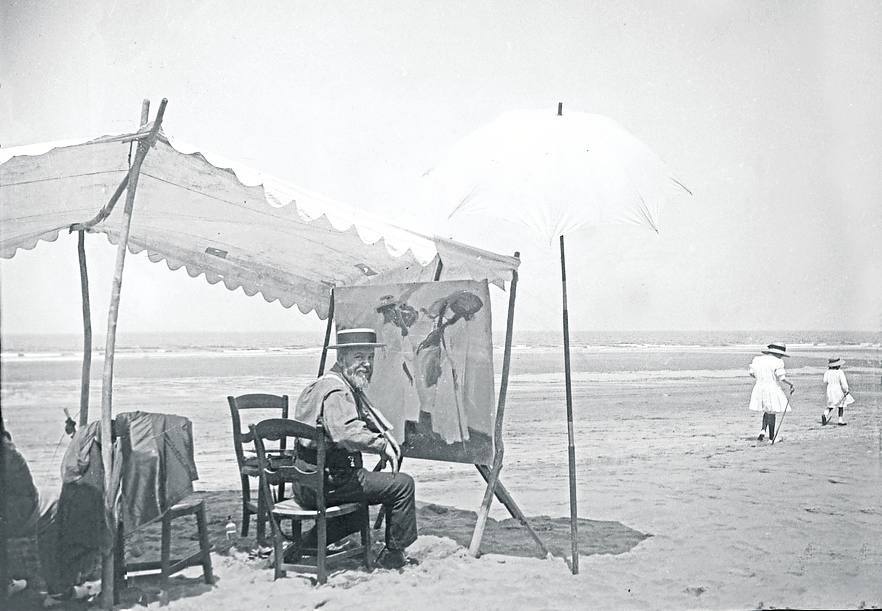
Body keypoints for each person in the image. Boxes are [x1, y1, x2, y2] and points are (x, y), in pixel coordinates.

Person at [292, 328, 417, 570]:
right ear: (342, 359)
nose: (367, 364)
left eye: (370, 358)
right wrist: (381, 445)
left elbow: (346, 422)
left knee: (355, 514)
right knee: (402, 485)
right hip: (327, 484)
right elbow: (345, 432)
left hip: (305, 483)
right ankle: (394, 554)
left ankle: (306, 545)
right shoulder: (338, 391)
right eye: (359, 357)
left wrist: (379, 432)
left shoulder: (323, 384)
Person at [748, 343, 795, 443]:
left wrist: (762, 378)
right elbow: (781, 377)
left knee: (767, 409)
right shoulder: (778, 362)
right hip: (771, 387)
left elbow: (752, 373)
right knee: (772, 411)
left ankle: (763, 430)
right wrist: (791, 384)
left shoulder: (757, 359)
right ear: (778, 353)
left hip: (759, 387)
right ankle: (771, 438)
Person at [822, 357, 854, 426]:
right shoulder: (840, 372)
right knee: (840, 405)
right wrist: (846, 390)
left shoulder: (827, 372)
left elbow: (825, 381)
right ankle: (840, 420)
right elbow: (843, 383)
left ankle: (825, 414)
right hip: (837, 389)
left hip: (830, 389)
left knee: (830, 405)